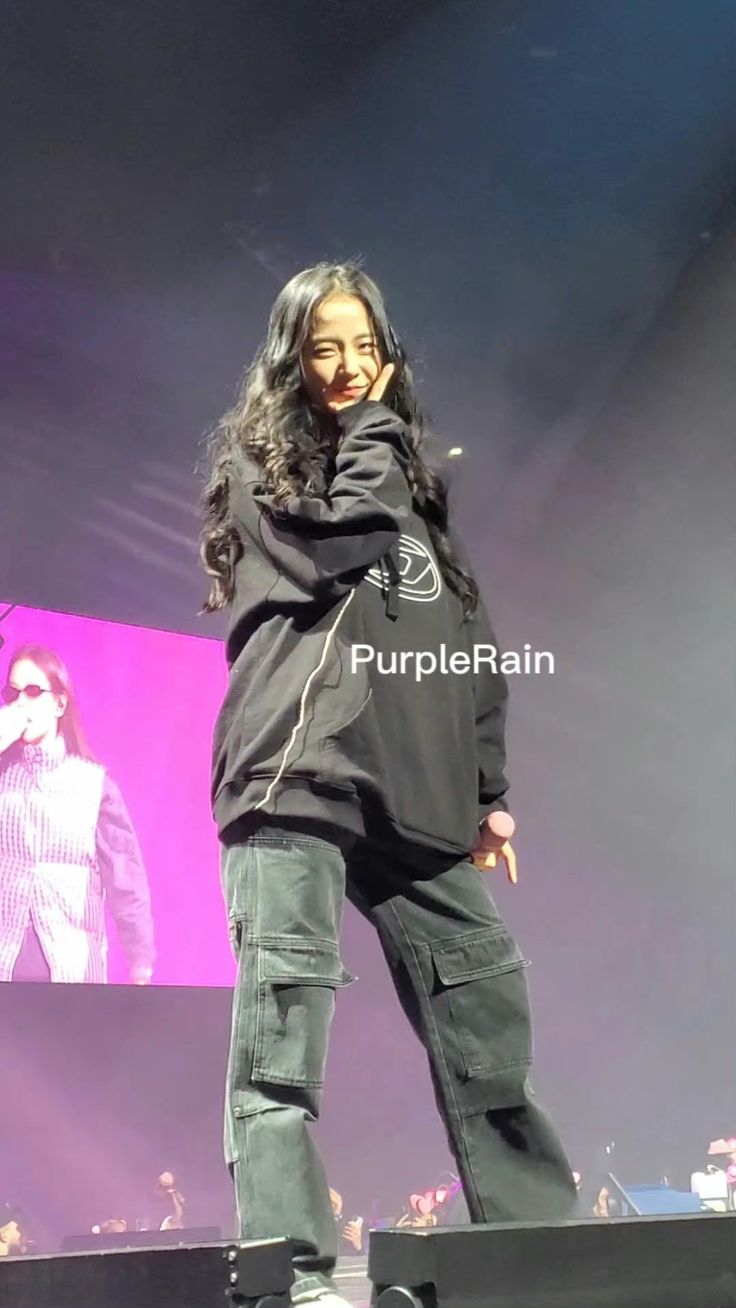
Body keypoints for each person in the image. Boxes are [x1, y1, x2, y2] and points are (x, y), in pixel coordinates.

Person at [201, 262, 577, 1307]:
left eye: (364, 346)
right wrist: (375, 433)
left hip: (413, 800)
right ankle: (293, 1278)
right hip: (297, 780)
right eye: (324, 346)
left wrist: (485, 794)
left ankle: (536, 1251)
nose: (348, 365)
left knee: (485, 1007)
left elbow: (471, 645)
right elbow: (334, 545)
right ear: (291, 358)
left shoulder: (412, 495)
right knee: (283, 1043)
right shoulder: (264, 470)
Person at [0, 644, 155, 983]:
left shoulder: (94, 784)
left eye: (32, 691)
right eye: (12, 692)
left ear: (59, 703)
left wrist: (140, 960)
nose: (20, 703)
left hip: (68, 968)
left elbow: (125, 876)